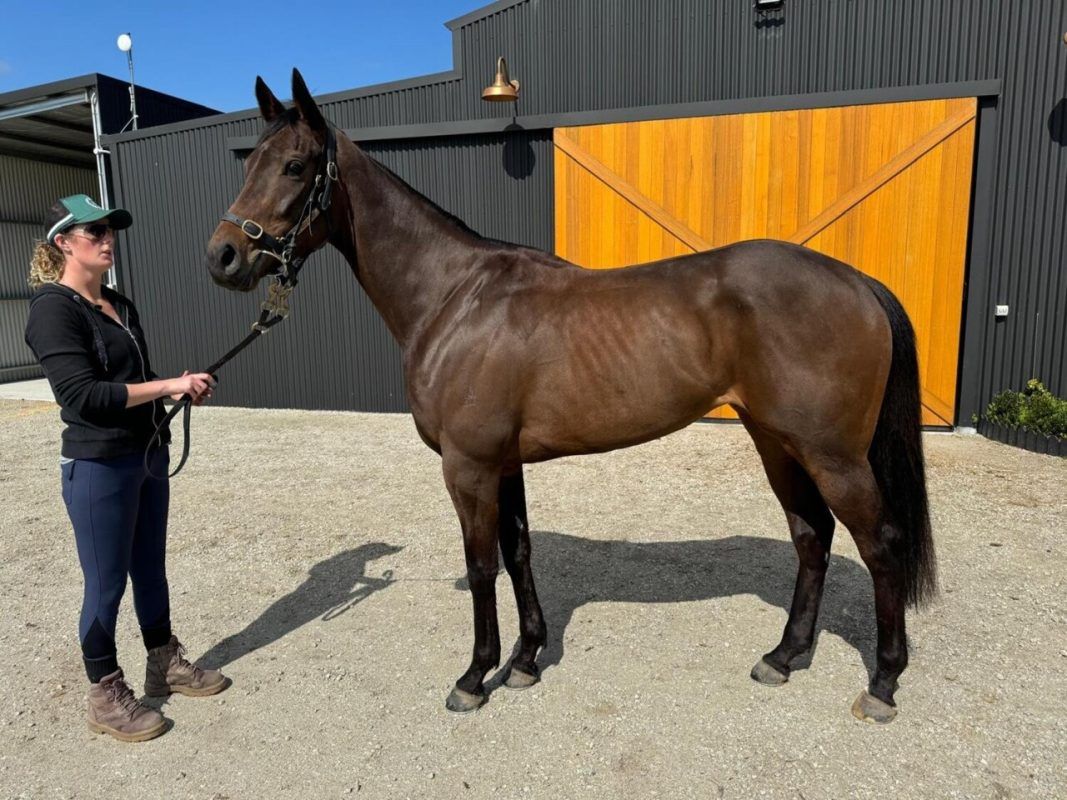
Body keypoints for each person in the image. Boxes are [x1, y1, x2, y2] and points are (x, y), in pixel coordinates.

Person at [24, 194, 228, 743]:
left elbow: (132, 376)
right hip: (97, 465)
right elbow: (83, 395)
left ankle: (163, 661)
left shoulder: (119, 303)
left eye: (110, 230)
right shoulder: (52, 310)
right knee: (107, 581)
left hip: (145, 455)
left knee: (150, 568)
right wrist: (167, 387)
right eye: (94, 233)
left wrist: (179, 386)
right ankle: (104, 691)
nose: (108, 239)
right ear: (63, 243)